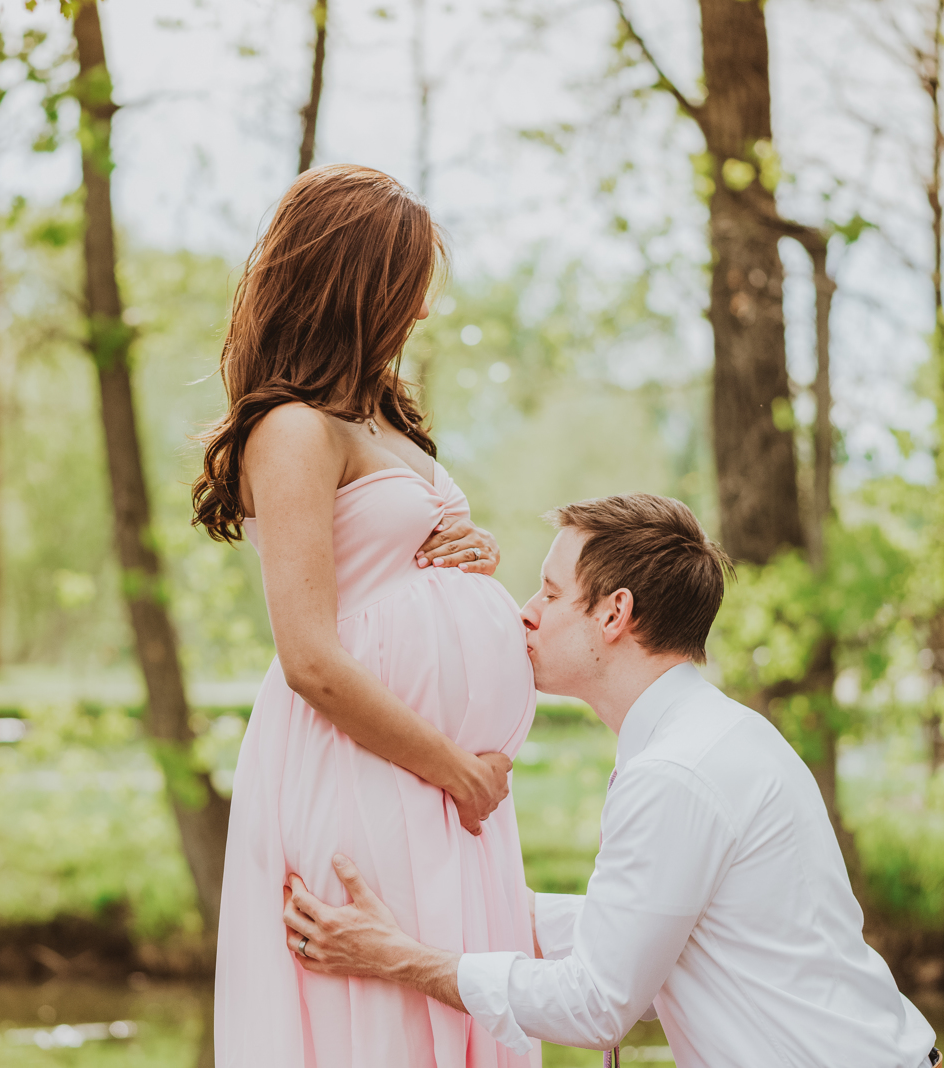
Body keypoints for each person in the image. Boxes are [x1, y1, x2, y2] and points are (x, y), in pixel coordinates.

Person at [283, 494, 942, 1068]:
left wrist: (397, 958)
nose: (525, 612)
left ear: (614, 613)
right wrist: (462, 893)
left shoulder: (677, 774)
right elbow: (647, 935)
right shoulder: (714, 735)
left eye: (550, 591)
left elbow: (597, 1006)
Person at [191, 164, 539, 1067]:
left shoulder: (385, 415)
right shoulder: (293, 429)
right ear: (354, 284)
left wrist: (472, 555)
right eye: (407, 288)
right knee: (376, 1023)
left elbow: (388, 560)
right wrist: (457, 771)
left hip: (442, 785)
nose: (419, 312)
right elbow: (309, 656)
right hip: (369, 766)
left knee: (445, 995)